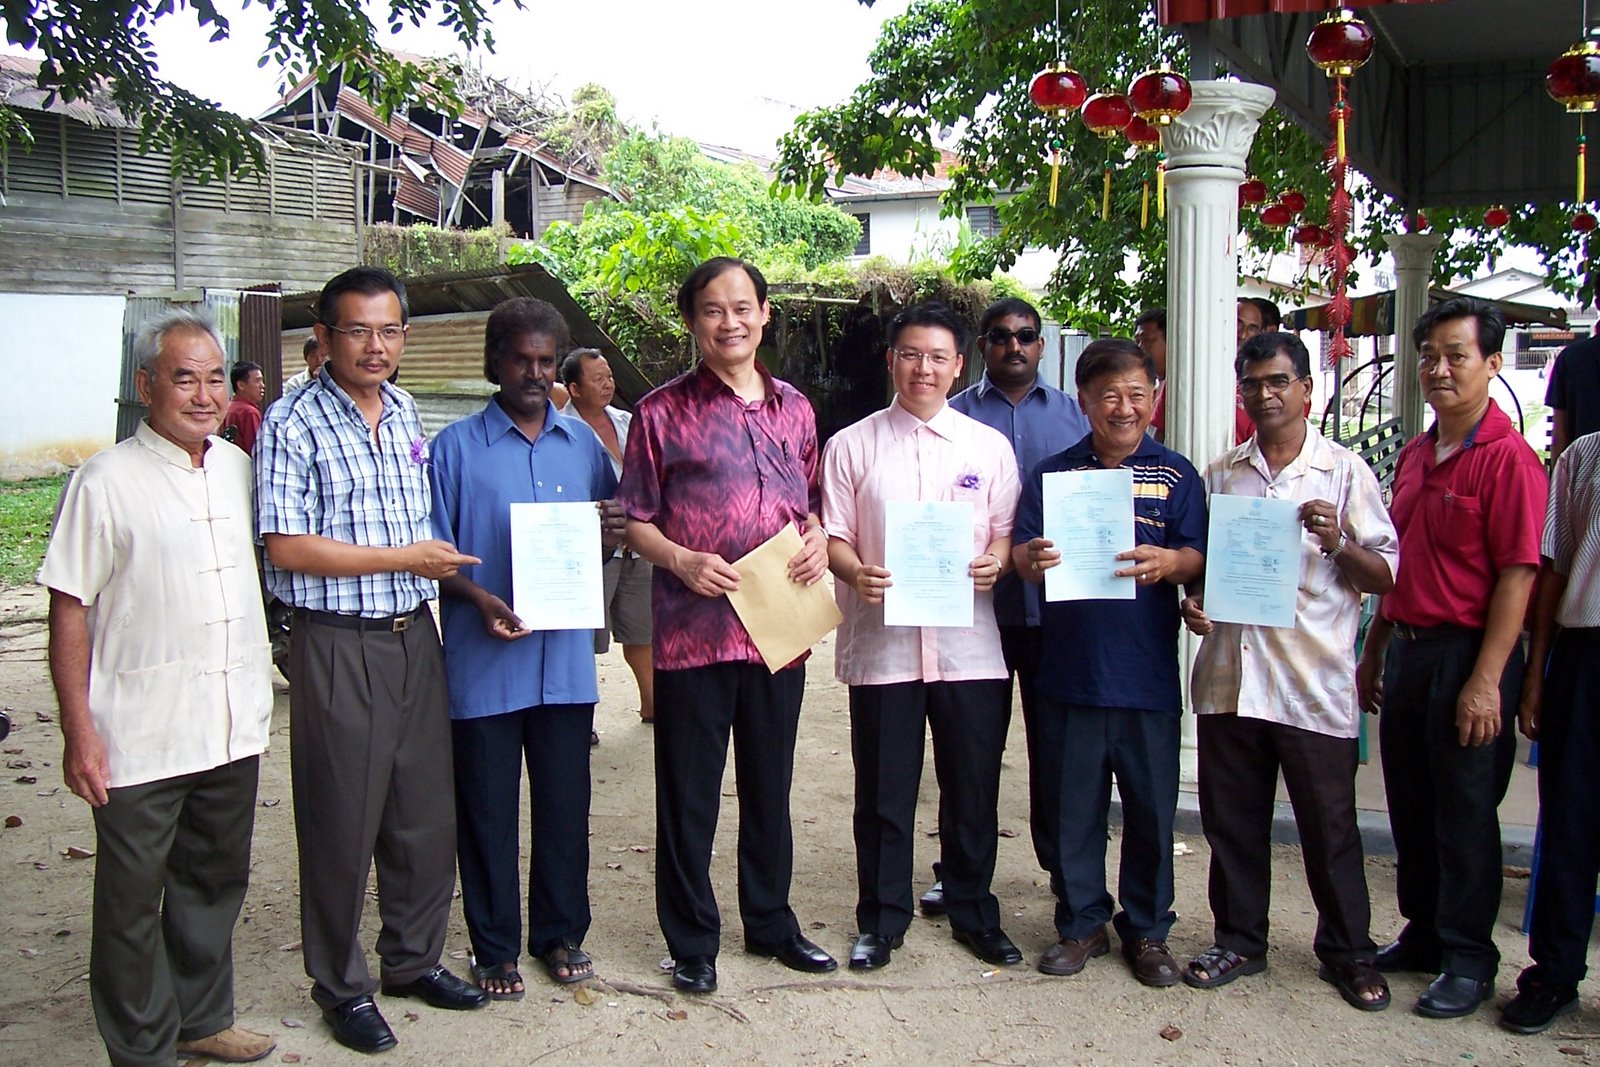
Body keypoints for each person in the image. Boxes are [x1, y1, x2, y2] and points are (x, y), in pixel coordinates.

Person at [256, 266, 487, 1055]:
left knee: (423, 811)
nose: (375, 345)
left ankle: (412, 959)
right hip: (337, 641)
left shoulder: (405, 408)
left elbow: (418, 521)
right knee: (340, 819)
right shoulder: (292, 420)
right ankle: (341, 985)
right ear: (324, 336)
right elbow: (286, 545)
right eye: (357, 330)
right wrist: (403, 557)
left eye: (389, 330)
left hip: (413, 633)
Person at [41, 308, 277, 1066]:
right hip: (138, 729)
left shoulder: (239, 467)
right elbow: (69, 608)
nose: (204, 395)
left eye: (215, 378)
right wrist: (79, 730)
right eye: (184, 378)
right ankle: (141, 1047)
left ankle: (202, 1017)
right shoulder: (103, 481)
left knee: (213, 879)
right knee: (132, 901)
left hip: (230, 720)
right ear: (147, 386)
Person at [617, 257, 837, 993]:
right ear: (692, 321)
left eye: (743, 307)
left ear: (765, 313)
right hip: (694, 633)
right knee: (690, 794)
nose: (730, 322)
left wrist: (816, 537)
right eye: (713, 309)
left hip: (780, 630)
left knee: (770, 786)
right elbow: (635, 519)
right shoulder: (660, 413)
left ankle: (771, 923)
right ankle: (692, 941)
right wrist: (679, 559)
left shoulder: (796, 409)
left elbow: (809, 502)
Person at [1180, 331, 1398, 1010]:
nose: (1264, 394)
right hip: (1233, 679)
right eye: (1251, 383)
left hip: (1312, 684)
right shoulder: (1221, 475)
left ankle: (1349, 952)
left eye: (1278, 381)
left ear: (1307, 388)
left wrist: (1339, 541)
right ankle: (1240, 939)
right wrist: (1193, 601)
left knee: (1329, 828)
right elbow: (1202, 568)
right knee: (1232, 823)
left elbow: (1386, 574)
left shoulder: (1344, 473)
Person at [1355, 297, 1546, 1019]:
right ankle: (1426, 932)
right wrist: (1375, 650)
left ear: (1492, 364)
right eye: (1429, 356)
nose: (1439, 369)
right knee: (1410, 801)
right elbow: (1396, 563)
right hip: (1407, 647)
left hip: (1468, 655)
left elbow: (1518, 577)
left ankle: (1469, 958)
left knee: (1465, 811)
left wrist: (1487, 681)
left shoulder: (1508, 460)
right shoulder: (1415, 454)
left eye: (1456, 356)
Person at [429, 298, 625, 1000]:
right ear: (495, 363)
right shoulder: (453, 449)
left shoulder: (586, 449)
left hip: (564, 666)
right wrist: (477, 597)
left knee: (565, 807)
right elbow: (434, 555)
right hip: (485, 664)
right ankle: (493, 947)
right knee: (486, 811)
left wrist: (610, 533)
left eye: (546, 361)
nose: (535, 373)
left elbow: (606, 537)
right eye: (521, 359)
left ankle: (561, 934)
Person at [824, 301, 1022, 971]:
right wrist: (855, 571)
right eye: (911, 354)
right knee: (884, 793)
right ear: (892, 360)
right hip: (884, 649)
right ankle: (881, 920)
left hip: (970, 649)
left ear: (959, 365)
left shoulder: (987, 447)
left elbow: (1004, 530)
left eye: (938, 357)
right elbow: (834, 535)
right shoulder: (851, 446)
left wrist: (995, 560)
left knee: (972, 789)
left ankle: (973, 910)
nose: (923, 368)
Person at [1013, 338, 1207, 986]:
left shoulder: (1176, 474)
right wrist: (1031, 558)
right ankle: (1081, 923)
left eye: (1136, 395)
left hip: (1145, 675)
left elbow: (1198, 554)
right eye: (1109, 396)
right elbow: (1021, 556)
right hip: (1070, 670)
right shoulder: (1054, 474)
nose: (1124, 408)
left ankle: (1148, 930)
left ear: (1153, 397)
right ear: (1084, 401)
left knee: (1150, 809)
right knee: (1073, 808)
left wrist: (1172, 562)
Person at [935, 298, 1088, 916]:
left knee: (1058, 754)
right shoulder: (951, 417)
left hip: (1057, 616)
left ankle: (1066, 873)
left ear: (1042, 345)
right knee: (969, 753)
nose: (1014, 346)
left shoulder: (1077, 417)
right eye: (1000, 336)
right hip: (978, 614)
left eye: (1025, 335)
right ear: (982, 347)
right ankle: (960, 872)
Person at [1501, 429, 1600, 1033]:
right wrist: (1536, 673)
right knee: (1570, 821)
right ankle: (1554, 975)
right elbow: (1553, 570)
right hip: (1586, 656)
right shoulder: (1584, 457)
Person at [561, 346, 655, 724]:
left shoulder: (626, 421)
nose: (607, 384)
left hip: (639, 546)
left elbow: (649, 477)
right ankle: (582, 720)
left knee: (643, 632)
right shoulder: (562, 432)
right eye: (597, 379)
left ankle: (653, 705)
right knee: (582, 639)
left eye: (610, 376)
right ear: (574, 389)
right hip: (592, 551)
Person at [1543, 326, 1600, 463]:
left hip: (1584, 470)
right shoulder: (1570, 357)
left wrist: (1557, 474)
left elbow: (1559, 436)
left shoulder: (1571, 357)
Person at [1134, 307, 1170, 441]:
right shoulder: (1155, 386)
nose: (1140, 348)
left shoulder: (1175, 388)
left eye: (1148, 340)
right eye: (1137, 341)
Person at [220, 360, 265, 455]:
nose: (262, 385)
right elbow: (257, 451)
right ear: (241, 385)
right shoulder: (249, 412)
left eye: (262, 381)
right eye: (257, 381)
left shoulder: (228, 408)